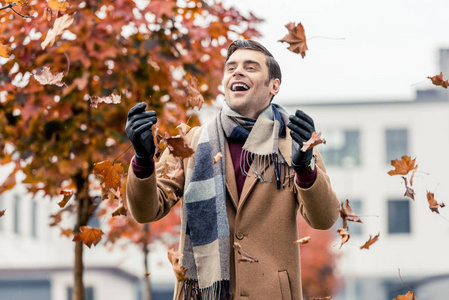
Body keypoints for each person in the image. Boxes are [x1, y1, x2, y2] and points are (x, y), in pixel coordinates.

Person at [125, 39, 340, 300]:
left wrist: (305, 168)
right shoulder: (190, 143)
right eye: (231, 68)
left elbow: (324, 219)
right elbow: (146, 211)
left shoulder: (294, 144)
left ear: (274, 86)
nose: (238, 72)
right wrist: (143, 159)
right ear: (224, 83)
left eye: (250, 68)